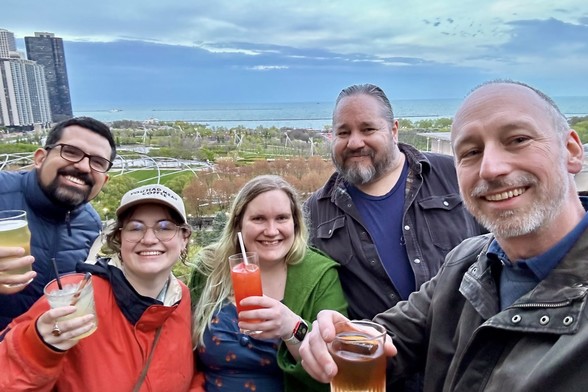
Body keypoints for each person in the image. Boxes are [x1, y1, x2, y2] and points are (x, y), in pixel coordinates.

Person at [299, 80, 588, 392]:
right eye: (471, 152)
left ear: (572, 151)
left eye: (517, 139)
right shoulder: (464, 266)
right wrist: (336, 338)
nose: (490, 168)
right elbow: (393, 337)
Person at [305, 83, 485, 322]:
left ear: (394, 130)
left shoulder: (454, 176)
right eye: (343, 132)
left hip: (468, 348)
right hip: (381, 354)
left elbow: (506, 250)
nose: (355, 142)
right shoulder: (316, 212)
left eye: (368, 129)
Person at [0, 184, 204, 391]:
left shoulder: (182, 298)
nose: (149, 239)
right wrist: (37, 347)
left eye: (164, 227)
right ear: (119, 238)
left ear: (184, 238)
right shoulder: (74, 294)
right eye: (135, 228)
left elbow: (194, 374)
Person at [189, 175, 347, 391]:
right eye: (259, 219)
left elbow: (336, 371)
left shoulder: (320, 275)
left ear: (295, 223)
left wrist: (292, 328)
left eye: (282, 218)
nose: (272, 231)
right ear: (238, 224)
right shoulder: (208, 269)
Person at [0, 117, 116, 330]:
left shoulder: (90, 223)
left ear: (104, 180)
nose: (83, 166)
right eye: (70, 151)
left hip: (45, 356)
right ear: (40, 158)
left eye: (98, 162)